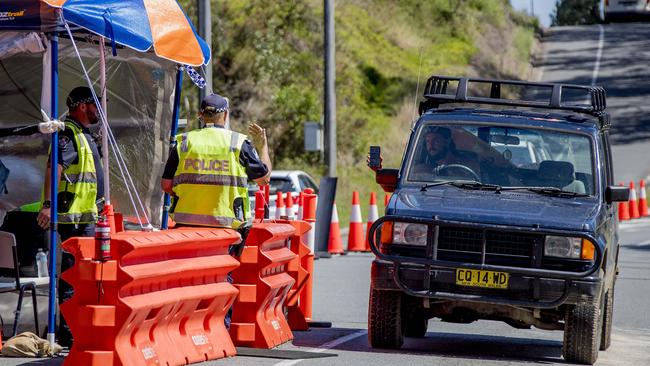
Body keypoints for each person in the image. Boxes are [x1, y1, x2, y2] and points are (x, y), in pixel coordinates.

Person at [36, 86, 105, 347]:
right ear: (82, 105)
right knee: (73, 275)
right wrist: (48, 204)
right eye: (95, 104)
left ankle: (74, 329)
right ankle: (68, 332)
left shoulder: (84, 134)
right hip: (73, 219)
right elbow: (54, 168)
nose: (99, 109)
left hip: (86, 216)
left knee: (81, 275)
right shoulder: (69, 134)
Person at [161, 93, 271, 228]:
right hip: (227, 227)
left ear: (200, 115)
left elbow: (166, 185)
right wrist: (263, 147)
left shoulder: (184, 142)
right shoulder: (238, 142)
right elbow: (264, 180)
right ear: (225, 115)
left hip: (185, 225)